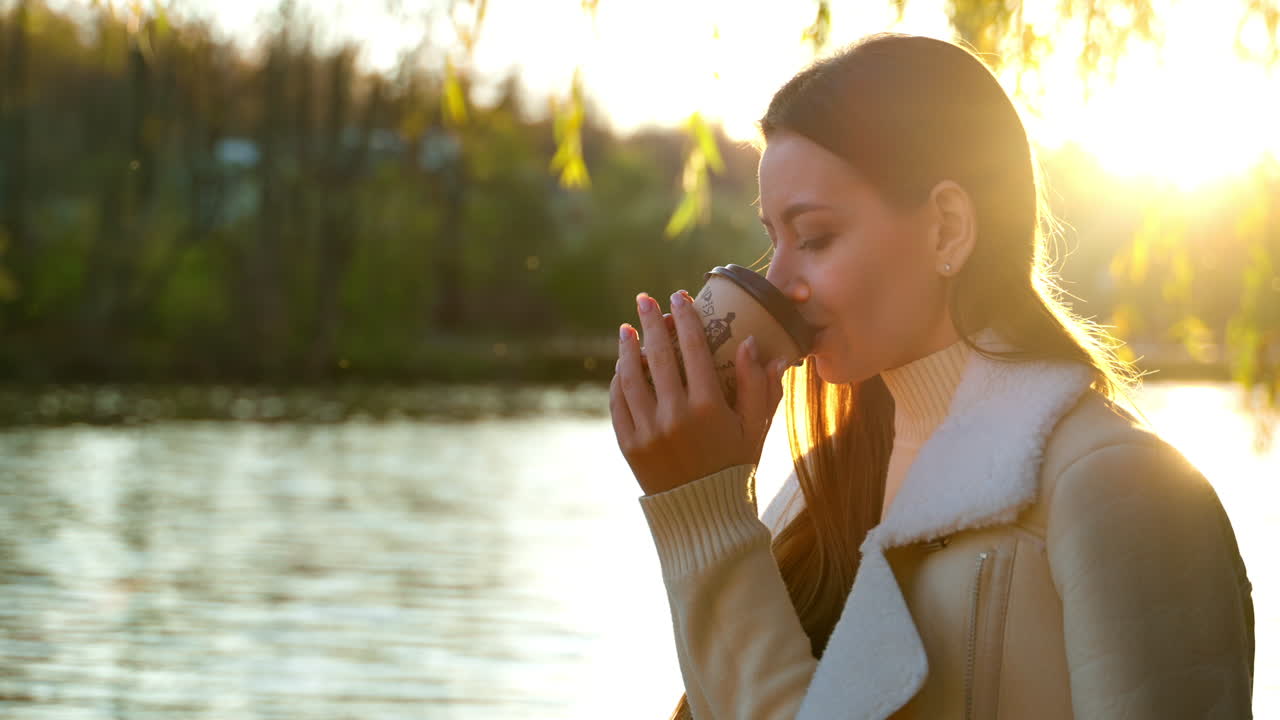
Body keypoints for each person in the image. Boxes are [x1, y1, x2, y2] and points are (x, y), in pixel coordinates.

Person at [608, 33, 1254, 720]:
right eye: (775, 239)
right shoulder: (816, 488)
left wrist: (704, 516)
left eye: (816, 238)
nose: (778, 282)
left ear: (947, 227)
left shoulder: (1117, 486)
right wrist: (702, 503)